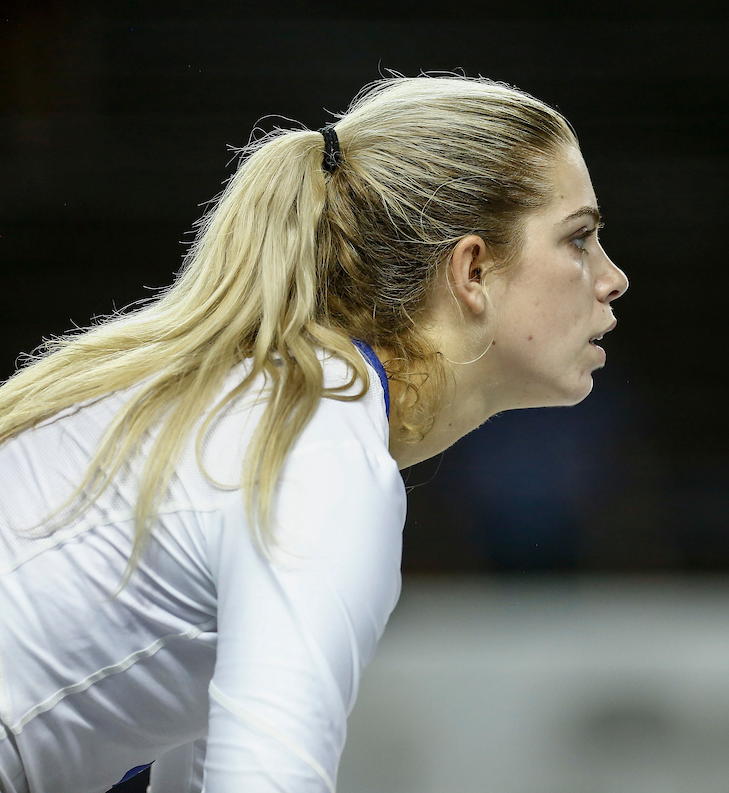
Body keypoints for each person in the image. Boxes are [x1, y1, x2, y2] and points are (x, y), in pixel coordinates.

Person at [0, 74, 628, 793]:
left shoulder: (270, 408)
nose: (613, 279)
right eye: (580, 238)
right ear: (473, 270)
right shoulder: (316, 458)